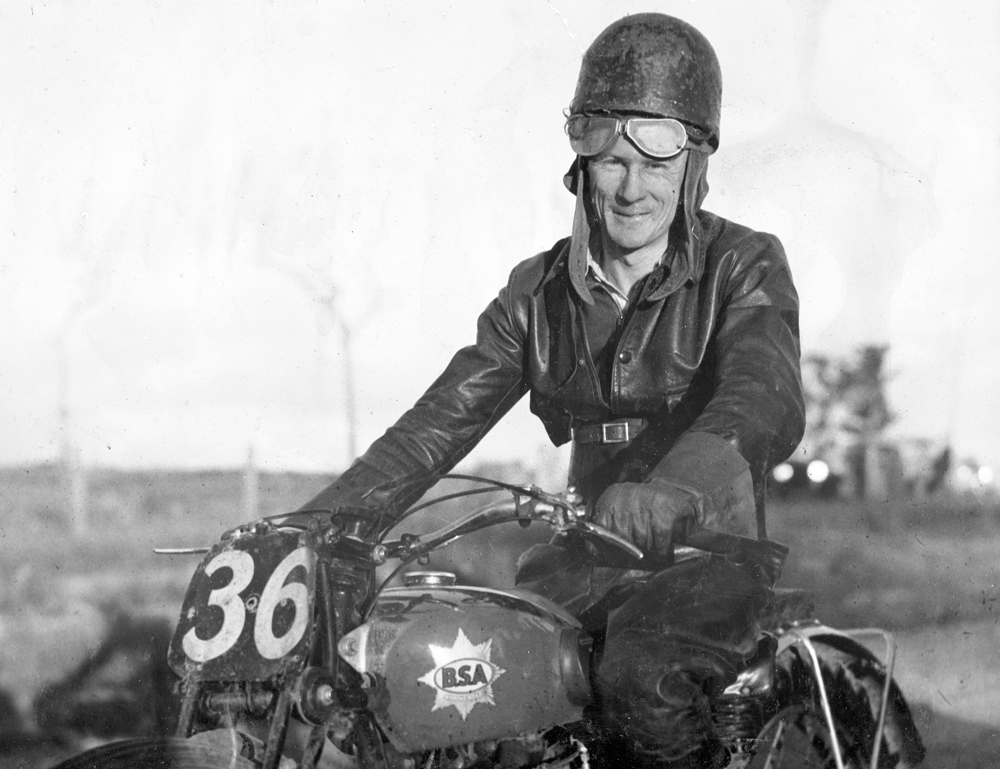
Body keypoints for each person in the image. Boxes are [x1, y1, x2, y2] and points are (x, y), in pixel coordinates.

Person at [300, 13, 804, 767]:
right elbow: (436, 424)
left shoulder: (743, 264)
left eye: (655, 162)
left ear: (694, 165)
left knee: (640, 680)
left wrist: (674, 488)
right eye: (611, 159)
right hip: (581, 562)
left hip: (708, 558)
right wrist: (312, 529)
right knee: (450, 683)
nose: (631, 187)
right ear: (580, 162)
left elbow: (763, 396)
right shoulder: (537, 294)